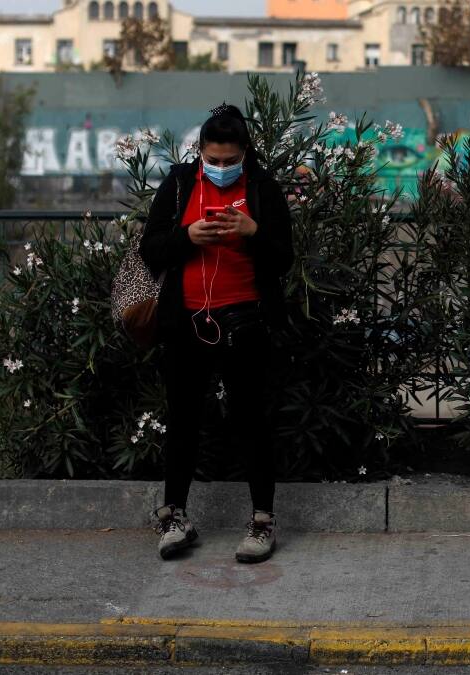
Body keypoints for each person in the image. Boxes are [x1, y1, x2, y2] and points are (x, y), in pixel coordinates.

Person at [138, 104, 294, 563]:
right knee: (183, 418)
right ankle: (174, 518)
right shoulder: (182, 183)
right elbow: (151, 249)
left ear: (245, 153)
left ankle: (262, 521)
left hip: (246, 319)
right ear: (200, 152)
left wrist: (250, 232)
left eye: (230, 161)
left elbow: (283, 258)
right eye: (214, 160)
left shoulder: (263, 189)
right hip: (186, 319)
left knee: (251, 419)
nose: (221, 169)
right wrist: (189, 236)